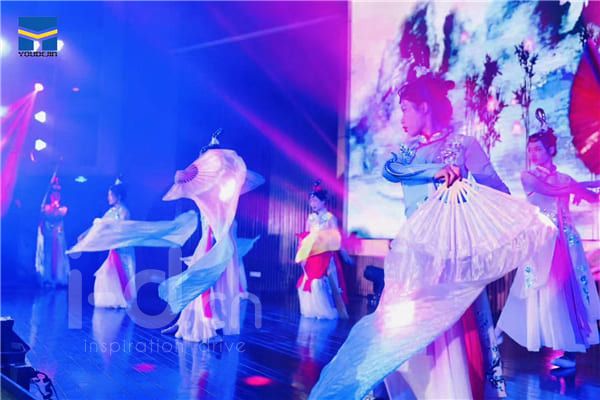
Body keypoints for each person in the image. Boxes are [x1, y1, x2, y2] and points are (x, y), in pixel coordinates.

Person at [308, 73, 555, 400]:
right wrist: (433, 170)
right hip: (414, 255)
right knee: (400, 329)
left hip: (451, 256)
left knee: (451, 331)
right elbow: (390, 171)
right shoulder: (408, 152)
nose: (402, 118)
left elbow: (498, 190)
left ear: (424, 107)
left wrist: (474, 199)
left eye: (406, 109)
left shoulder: (464, 145)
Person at [497, 128, 600, 368]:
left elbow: (591, 197)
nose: (533, 154)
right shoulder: (528, 176)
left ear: (551, 150)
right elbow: (552, 191)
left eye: (538, 149)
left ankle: (572, 350)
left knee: (568, 294)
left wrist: (589, 189)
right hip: (542, 242)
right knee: (528, 289)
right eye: (530, 149)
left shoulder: (565, 178)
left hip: (568, 243)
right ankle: (500, 334)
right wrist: (580, 186)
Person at [296, 181, 349, 319]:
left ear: (323, 201)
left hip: (324, 254)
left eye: (315, 200)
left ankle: (326, 310)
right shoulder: (311, 218)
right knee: (307, 281)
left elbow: (336, 238)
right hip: (312, 254)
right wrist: (303, 254)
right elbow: (306, 237)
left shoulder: (330, 218)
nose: (312, 203)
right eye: (311, 200)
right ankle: (312, 310)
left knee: (319, 281)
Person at [35, 175, 70, 287]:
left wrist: (55, 209)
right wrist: (50, 209)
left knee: (59, 252)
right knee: (47, 253)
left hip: (58, 229)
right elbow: (44, 213)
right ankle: (47, 278)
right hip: (48, 230)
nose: (56, 194)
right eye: (54, 191)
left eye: (58, 192)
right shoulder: (46, 204)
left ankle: (60, 278)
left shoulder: (63, 205)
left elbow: (62, 213)